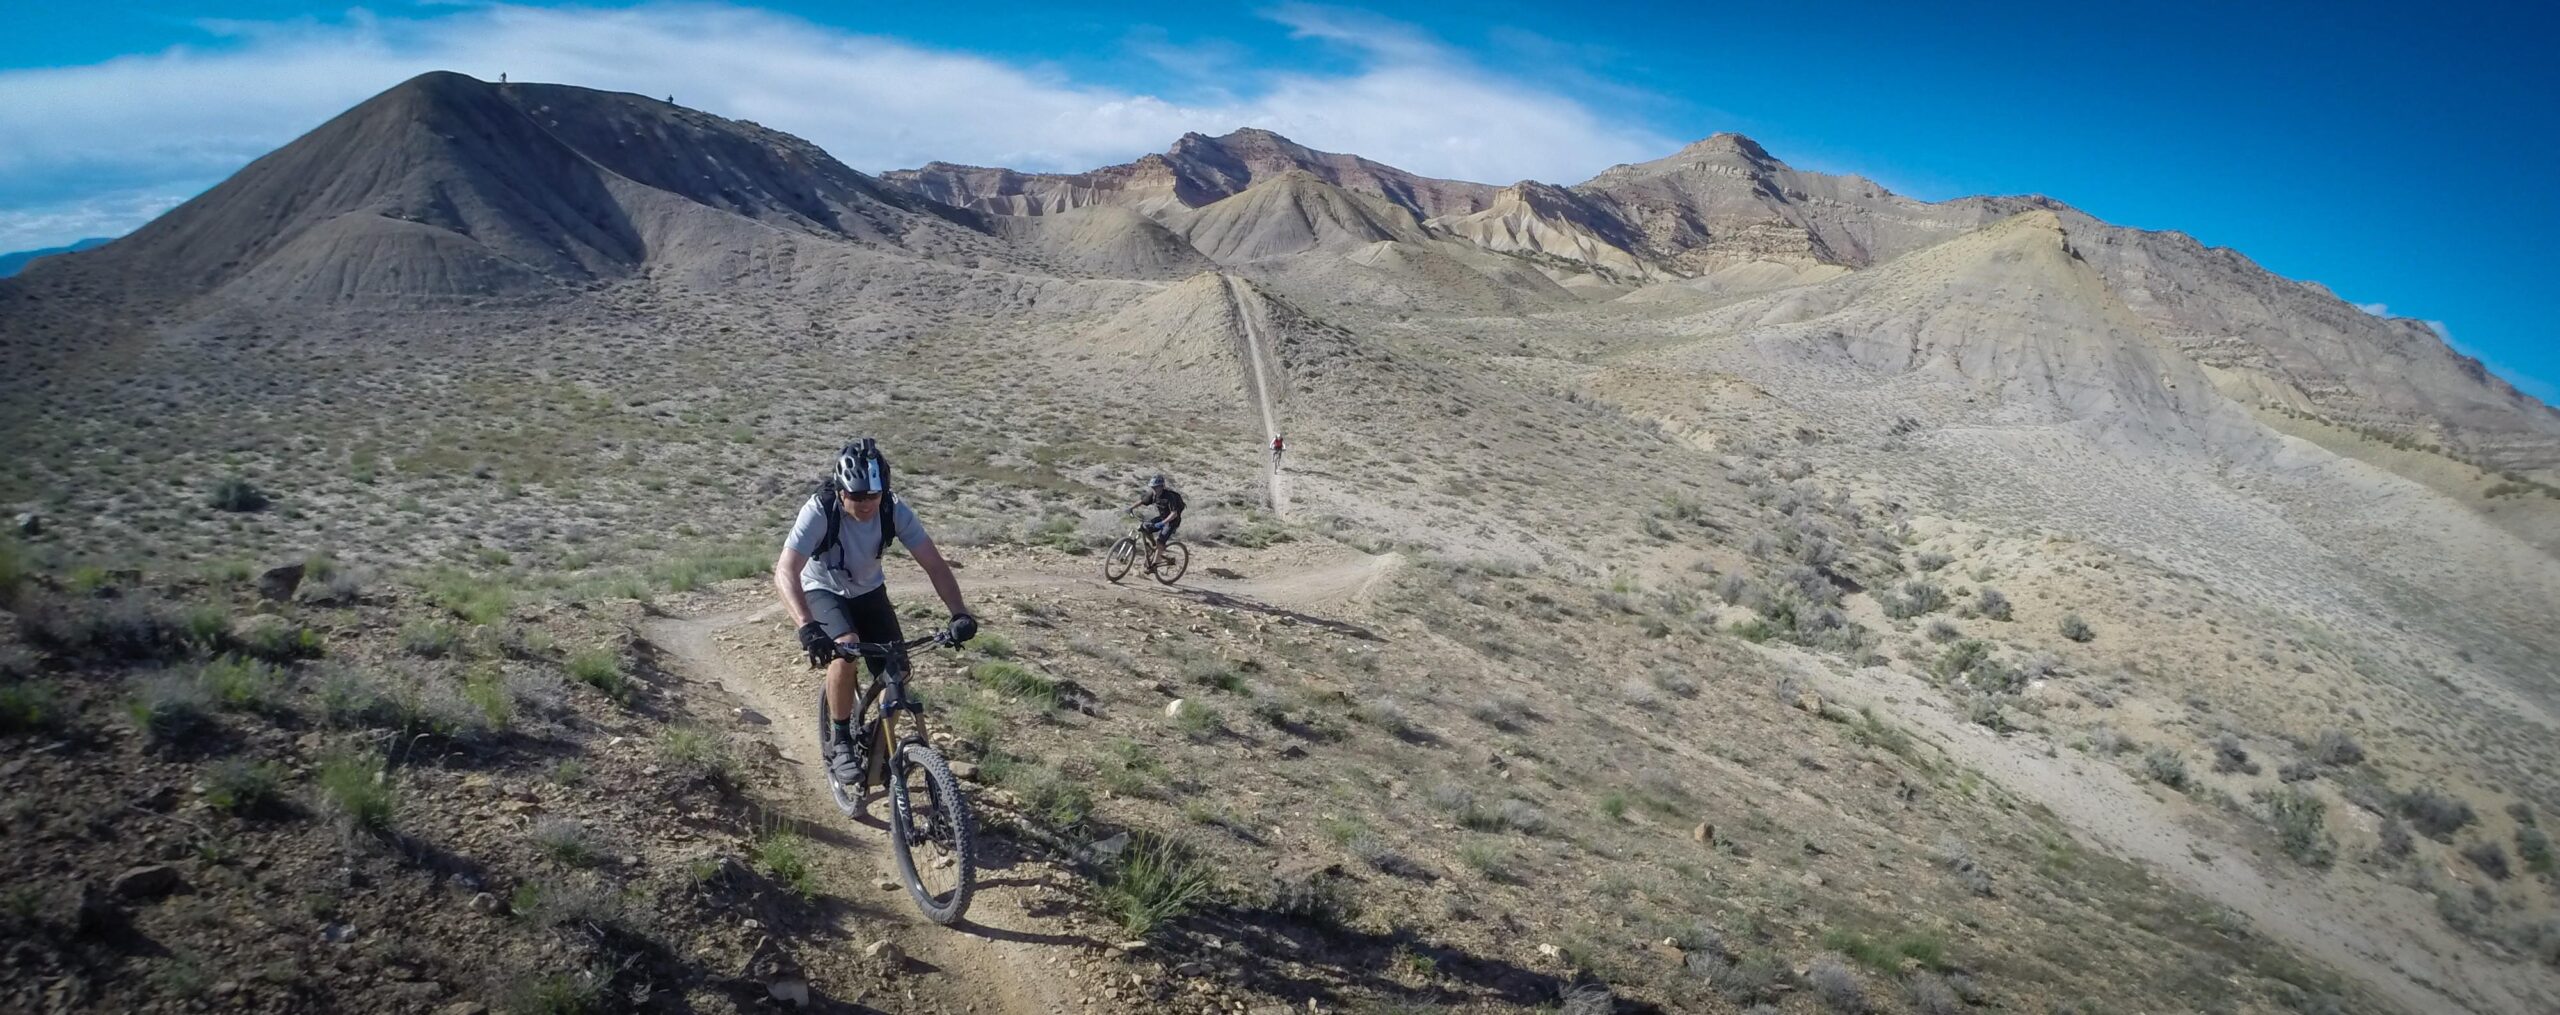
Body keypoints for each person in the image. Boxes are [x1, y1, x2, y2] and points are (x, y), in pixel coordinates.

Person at [774, 439, 976, 787]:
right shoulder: (819, 510)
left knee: (898, 670)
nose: (867, 504)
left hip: (869, 591)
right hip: (822, 588)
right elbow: (785, 571)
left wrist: (959, 613)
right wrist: (807, 627)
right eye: (857, 496)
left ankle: (875, 742)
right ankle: (841, 740)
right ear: (841, 492)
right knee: (846, 646)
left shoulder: (893, 510)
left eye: (874, 495)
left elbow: (934, 565)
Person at [1127, 474, 1185, 566]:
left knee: (1160, 541)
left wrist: (1163, 523)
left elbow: (1174, 514)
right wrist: (1130, 508)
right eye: (1152, 487)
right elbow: (1142, 501)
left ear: (1162, 486)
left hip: (1172, 521)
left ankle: (1155, 565)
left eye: (1156, 487)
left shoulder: (1169, 497)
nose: (1154, 489)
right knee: (1144, 527)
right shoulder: (1153, 494)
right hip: (1162, 518)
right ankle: (1153, 546)